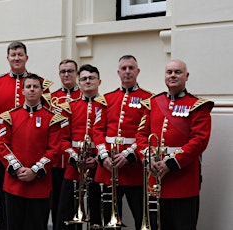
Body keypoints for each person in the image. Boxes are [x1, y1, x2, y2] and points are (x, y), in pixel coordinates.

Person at [135, 60, 213, 230]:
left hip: (182, 180)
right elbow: (140, 136)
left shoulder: (198, 106)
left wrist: (171, 163)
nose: (173, 75)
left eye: (177, 72)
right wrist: (148, 160)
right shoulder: (153, 103)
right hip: (154, 177)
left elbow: (199, 140)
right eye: (169, 72)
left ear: (186, 76)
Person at [0, 41, 52, 229]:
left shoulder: (39, 84)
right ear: (8, 58)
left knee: (33, 204)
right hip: (3, 150)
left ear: (26, 58)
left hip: (32, 149)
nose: (16, 58)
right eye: (13, 55)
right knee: (5, 198)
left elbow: (45, 117)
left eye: (20, 55)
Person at [0, 75, 65, 230]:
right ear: (22, 91)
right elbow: (2, 145)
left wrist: (34, 171)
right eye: (28, 87)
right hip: (14, 184)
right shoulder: (10, 117)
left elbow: (54, 150)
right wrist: (18, 169)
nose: (32, 90)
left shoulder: (52, 118)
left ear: (42, 91)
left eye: (35, 87)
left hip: (39, 185)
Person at [93, 55, 153, 229]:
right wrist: (103, 156)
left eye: (131, 68)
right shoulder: (106, 99)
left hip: (134, 168)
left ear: (137, 71)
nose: (127, 72)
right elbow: (97, 130)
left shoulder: (148, 99)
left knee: (141, 217)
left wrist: (129, 154)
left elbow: (148, 132)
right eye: (124, 68)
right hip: (108, 167)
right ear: (118, 72)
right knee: (108, 219)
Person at [55, 64, 105, 230]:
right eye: (83, 79)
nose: (87, 81)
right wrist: (75, 158)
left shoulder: (107, 106)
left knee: (98, 213)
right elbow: (62, 138)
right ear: (79, 82)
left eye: (91, 78)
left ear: (99, 81)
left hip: (99, 166)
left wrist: (97, 159)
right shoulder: (69, 107)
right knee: (65, 213)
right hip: (74, 165)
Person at [46, 59, 82, 229]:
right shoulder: (51, 99)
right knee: (57, 205)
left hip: (76, 161)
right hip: (55, 160)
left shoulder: (84, 96)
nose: (66, 74)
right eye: (63, 71)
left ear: (76, 73)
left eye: (70, 71)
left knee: (78, 206)